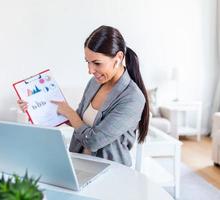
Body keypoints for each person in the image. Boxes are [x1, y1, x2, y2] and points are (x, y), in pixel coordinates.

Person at [18, 25, 149, 166]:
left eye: (97, 63)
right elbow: (79, 122)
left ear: (118, 58)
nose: (90, 70)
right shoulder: (95, 83)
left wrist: (69, 112)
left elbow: (93, 141)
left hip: (110, 172)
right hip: (78, 164)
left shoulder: (132, 98)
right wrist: (37, 107)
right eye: (88, 62)